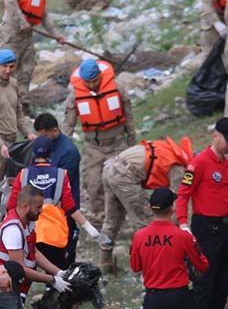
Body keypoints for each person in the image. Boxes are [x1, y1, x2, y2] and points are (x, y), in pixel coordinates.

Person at [176, 118, 228, 309]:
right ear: (216, 136)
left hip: (226, 231)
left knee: (222, 285)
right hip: (206, 230)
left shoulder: (227, 166)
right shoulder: (198, 163)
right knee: (204, 286)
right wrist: (184, 224)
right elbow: (183, 194)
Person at [7, 135, 102, 270]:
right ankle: (52, 288)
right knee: (57, 272)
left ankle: (23, 291)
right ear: (51, 153)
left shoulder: (24, 174)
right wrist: (88, 226)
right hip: (55, 235)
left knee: (28, 272)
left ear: (33, 153)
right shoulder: (60, 174)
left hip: (30, 232)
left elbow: (11, 205)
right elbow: (70, 206)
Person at [98, 136, 193, 273]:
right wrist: (179, 232)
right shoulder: (179, 167)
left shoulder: (169, 150)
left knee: (112, 218)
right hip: (123, 174)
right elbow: (177, 206)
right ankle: (158, 264)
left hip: (110, 167)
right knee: (148, 221)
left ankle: (105, 262)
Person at [63, 57, 136, 224]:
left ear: (100, 76)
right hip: (93, 147)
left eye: (94, 81)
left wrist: (132, 143)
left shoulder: (117, 88)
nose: (91, 85)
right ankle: (100, 220)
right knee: (93, 184)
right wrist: (64, 147)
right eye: (87, 82)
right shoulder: (75, 96)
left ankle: (124, 220)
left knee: (122, 182)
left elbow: (129, 117)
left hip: (118, 143)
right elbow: (68, 124)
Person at [0, 0, 67, 112]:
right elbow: (9, 1)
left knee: (27, 68)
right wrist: (22, 20)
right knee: (8, 68)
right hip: (12, 32)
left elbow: (42, 15)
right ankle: (4, 102)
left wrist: (56, 34)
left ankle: (23, 102)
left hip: (27, 36)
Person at [0, 49, 36, 218]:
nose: (8, 70)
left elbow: (18, 113)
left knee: (13, 187)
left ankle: (8, 222)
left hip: (12, 142)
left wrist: (29, 133)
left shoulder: (13, 84)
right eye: (4, 67)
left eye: (11, 66)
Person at [33, 112, 83, 261]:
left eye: (45, 136)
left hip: (65, 209)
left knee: (64, 251)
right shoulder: (43, 146)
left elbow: (60, 183)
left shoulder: (68, 152)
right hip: (45, 209)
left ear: (55, 130)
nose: (42, 140)